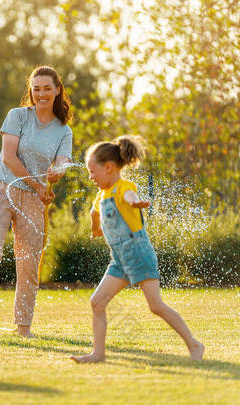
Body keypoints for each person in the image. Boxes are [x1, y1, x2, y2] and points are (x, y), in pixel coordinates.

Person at [71, 136, 204, 362]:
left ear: (109, 168)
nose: (91, 177)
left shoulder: (124, 187)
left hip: (139, 253)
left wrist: (135, 203)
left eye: (93, 172)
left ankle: (194, 345)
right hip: (120, 260)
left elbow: (130, 197)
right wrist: (95, 230)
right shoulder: (101, 196)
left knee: (155, 306)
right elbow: (94, 214)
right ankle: (98, 354)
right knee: (97, 302)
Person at [0, 66, 73, 339]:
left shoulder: (63, 131)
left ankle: (23, 327)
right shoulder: (17, 116)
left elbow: (62, 163)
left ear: (57, 90)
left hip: (33, 200)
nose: (41, 94)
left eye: (47, 88)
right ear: (31, 91)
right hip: (1, 188)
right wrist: (38, 184)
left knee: (29, 261)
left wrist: (57, 173)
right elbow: (10, 158)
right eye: (36, 88)